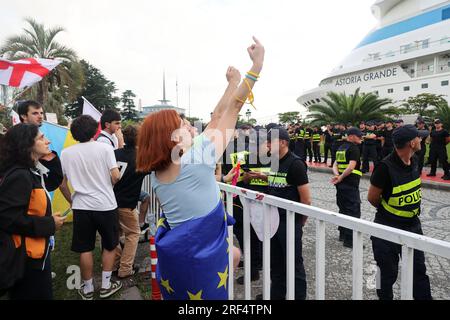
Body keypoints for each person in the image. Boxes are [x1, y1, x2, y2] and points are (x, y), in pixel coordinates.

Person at [136, 38, 264, 300]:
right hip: (203, 253)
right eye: (183, 124)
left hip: (185, 256)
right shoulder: (198, 158)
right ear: (172, 137)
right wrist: (256, 67)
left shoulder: (159, 171)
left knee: (234, 255)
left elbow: (217, 117)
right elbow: (233, 110)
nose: (191, 127)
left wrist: (230, 85)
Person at [59, 115, 122, 300]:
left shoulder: (66, 153)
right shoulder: (105, 148)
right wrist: (108, 183)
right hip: (105, 204)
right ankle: (105, 285)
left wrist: (72, 201)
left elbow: (62, 184)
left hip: (81, 206)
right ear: (95, 129)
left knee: (85, 247)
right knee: (110, 245)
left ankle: (87, 289)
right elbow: (116, 176)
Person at [0, 124, 65, 299]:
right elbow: (7, 219)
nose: (48, 140)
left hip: (35, 255)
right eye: (42, 138)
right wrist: (49, 223)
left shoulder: (30, 171)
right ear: (27, 144)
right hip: (25, 261)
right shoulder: (19, 175)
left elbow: (53, 181)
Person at [368, 124, 432, 300]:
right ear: (412, 143)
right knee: (384, 273)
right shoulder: (384, 168)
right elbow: (372, 198)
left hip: (412, 226)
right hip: (386, 227)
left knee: (419, 272)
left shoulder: (415, 159)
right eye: (419, 137)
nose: (422, 139)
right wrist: (391, 213)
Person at [266, 127, 311, 300]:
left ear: (283, 143)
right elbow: (276, 183)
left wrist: (300, 222)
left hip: (289, 222)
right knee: (276, 262)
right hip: (274, 220)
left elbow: (306, 200)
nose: (268, 145)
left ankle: (298, 296)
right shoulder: (275, 161)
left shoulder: (296, 164)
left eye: (271, 141)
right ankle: (277, 295)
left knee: (294, 264)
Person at [113, 125, 148, 278]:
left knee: (113, 235)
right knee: (133, 233)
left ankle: (114, 264)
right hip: (127, 204)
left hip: (110, 202)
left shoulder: (114, 153)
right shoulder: (141, 158)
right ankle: (125, 269)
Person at [17, 100, 63, 192]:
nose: (40, 116)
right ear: (24, 116)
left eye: (41, 113)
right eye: (35, 113)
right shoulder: (17, 136)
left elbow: (52, 182)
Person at [331, 128, 363, 248]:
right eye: (358, 135)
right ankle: (351, 240)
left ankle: (342, 234)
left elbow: (335, 164)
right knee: (353, 211)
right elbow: (351, 167)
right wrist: (341, 177)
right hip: (350, 183)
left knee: (343, 208)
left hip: (341, 185)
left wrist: (337, 176)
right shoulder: (354, 148)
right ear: (351, 136)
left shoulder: (341, 147)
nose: (361, 137)